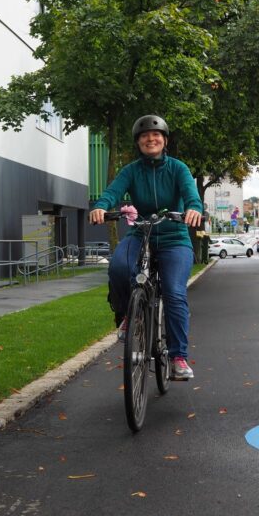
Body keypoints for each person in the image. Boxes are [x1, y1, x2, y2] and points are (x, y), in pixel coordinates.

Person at [89, 115, 204, 381]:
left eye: (156, 136)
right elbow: (113, 192)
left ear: (164, 141)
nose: (150, 140)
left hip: (174, 237)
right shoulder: (131, 170)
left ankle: (178, 358)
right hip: (141, 232)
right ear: (138, 143)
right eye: (144, 137)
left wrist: (194, 209)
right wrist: (101, 206)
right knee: (119, 266)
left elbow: (191, 196)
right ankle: (125, 316)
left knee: (174, 293)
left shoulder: (178, 169)